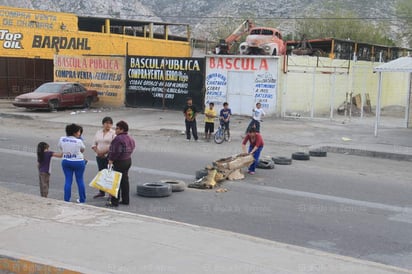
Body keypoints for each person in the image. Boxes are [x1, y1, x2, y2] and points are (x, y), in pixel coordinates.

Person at [107, 120, 136, 207]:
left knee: (116, 182)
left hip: (119, 162)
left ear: (122, 130)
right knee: (124, 181)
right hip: (127, 160)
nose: (115, 130)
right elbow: (133, 147)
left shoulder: (118, 139)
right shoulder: (130, 138)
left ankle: (114, 201)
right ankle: (125, 200)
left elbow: (115, 151)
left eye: (117, 128)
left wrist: (111, 159)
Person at [58, 123, 87, 203]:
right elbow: (82, 150)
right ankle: (82, 199)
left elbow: (61, 148)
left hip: (66, 161)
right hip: (78, 162)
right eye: (78, 132)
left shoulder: (62, 139)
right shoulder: (79, 141)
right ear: (74, 132)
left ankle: (66, 199)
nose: (79, 133)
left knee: (68, 180)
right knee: (80, 180)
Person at [91, 116, 116, 198]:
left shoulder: (113, 133)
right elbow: (94, 144)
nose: (108, 125)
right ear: (103, 124)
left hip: (109, 157)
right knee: (101, 173)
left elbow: (113, 145)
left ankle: (110, 193)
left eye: (110, 123)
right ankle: (101, 191)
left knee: (109, 174)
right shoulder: (98, 132)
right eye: (106, 123)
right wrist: (97, 152)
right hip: (99, 156)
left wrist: (104, 152)